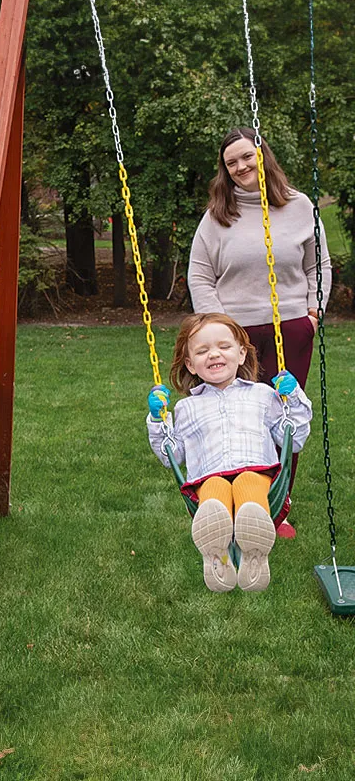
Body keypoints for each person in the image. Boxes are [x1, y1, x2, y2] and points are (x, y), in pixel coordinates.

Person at [187, 127, 331, 538]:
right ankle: (232, 505)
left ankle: (277, 511)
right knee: (239, 419)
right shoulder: (218, 215)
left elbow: (317, 265)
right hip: (238, 336)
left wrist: (313, 314)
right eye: (231, 162)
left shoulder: (300, 206)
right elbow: (200, 273)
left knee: (283, 416)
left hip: (292, 328)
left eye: (246, 157)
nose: (240, 167)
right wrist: (217, 326)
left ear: (262, 154)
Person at [147, 313, 312, 593]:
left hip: (258, 475)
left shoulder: (263, 395)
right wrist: (158, 419)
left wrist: (293, 397)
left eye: (224, 346)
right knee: (213, 492)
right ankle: (217, 552)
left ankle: (253, 546)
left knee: (248, 482)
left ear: (242, 353)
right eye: (202, 351)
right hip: (209, 480)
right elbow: (171, 456)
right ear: (191, 364)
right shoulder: (187, 408)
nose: (214, 354)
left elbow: (293, 439)